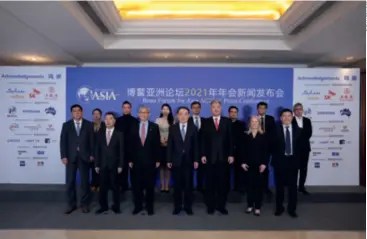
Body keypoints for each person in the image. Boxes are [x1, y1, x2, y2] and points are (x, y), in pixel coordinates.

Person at [201, 100, 234, 215]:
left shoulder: (227, 121)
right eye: (213, 107)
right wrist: (203, 154)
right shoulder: (206, 122)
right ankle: (211, 206)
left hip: (224, 158)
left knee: (222, 183)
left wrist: (231, 154)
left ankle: (221, 206)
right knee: (210, 183)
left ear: (221, 108)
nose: (216, 109)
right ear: (211, 108)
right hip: (210, 158)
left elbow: (231, 139)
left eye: (218, 107)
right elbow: (203, 140)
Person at [60, 104, 94, 214]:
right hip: (70, 158)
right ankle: (71, 204)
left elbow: (92, 142)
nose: (77, 113)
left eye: (79, 111)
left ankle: (85, 204)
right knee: (70, 182)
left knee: (85, 182)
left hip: (85, 157)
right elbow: (63, 142)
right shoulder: (66, 125)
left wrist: (92, 154)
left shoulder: (89, 125)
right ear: (72, 113)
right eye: (74, 111)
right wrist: (63, 156)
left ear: (82, 112)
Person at [167, 107, 199, 215]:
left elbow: (195, 145)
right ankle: (177, 206)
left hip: (189, 161)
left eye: (185, 114)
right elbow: (170, 146)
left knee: (188, 186)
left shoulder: (193, 128)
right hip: (176, 161)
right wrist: (168, 159)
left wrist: (196, 159)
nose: (183, 116)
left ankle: (188, 207)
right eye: (181, 114)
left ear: (188, 115)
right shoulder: (173, 128)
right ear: (177, 115)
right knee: (177, 186)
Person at [129, 106, 160, 215]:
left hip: (150, 161)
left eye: (145, 112)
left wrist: (157, 159)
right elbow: (129, 145)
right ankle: (138, 206)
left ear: (149, 114)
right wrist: (130, 160)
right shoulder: (133, 126)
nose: (143, 114)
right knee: (137, 185)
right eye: (141, 112)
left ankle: (149, 206)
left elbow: (157, 145)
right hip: (136, 161)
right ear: (138, 114)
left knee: (150, 186)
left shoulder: (154, 127)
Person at [271, 108, 300, 218]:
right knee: (280, 187)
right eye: (284, 116)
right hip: (279, 162)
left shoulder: (298, 130)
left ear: (292, 117)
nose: (287, 118)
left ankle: (292, 209)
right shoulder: (274, 130)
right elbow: (271, 147)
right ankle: (279, 208)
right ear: (281, 118)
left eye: (289, 116)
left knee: (293, 188)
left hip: (293, 162)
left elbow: (301, 149)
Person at [94, 112, 124, 214]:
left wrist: (120, 165)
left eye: (110, 118)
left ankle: (116, 206)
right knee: (102, 187)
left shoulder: (119, 134)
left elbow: (121, 151)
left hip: (115, 165)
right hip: (102, 164)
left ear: (114, 121)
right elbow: (97, 150)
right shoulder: (99, 133)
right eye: (106, 119)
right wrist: (96, 164)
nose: (107, 121)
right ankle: (103, 206)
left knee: (115, 187)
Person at [241, 116, 268, 216]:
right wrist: (243, 162)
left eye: (256, 121)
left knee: (258, 187)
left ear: (259, 123)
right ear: (249, 123)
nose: (254, 123)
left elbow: (266, 151)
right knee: (249, 187)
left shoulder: (264, 135)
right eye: (252, 121)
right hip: (248, 165)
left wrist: (264, 163)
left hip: (260, 165)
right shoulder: (245, 135)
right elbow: (242, 150)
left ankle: (257, 207)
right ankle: (249, 205)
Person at [115, 101, 138, 192]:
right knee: (122, 168)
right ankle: (123, 186)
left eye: (128, 107)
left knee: (134, 170)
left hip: (133, 149)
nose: (126, 109)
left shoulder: (135, 121)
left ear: (130, 109)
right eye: (124, 107)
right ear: (122, 109)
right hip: (121, 148)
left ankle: (134, 186)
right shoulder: (118, 121)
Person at [256, 101, 276, 199]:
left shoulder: (270, 119)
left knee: (265, 168)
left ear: (266, 109)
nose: (262, 110)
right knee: (255, 168)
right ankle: (256, 187)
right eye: (260, 108)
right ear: (257, 109)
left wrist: (263, 133)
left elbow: (273, 133)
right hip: (255, 147)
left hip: (267, 147)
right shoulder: (253, 119)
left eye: (264, 108)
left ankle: (265, 188)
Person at [292, 103, 312, 195]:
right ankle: (292, 187)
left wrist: (299, 133)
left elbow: (309, 134)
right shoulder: (291, 120)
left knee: (304, 168)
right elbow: (291, 135)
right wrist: (300, 133)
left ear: (302, 110)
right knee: (293, 168)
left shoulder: (307, 121)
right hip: (294, 149)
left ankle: (301, 187)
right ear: (294, 111)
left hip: (305, 148)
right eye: (296, 109)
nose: (298, 110)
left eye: (300, 109)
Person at [155, 104, 174, 193]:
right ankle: (162, 185)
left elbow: (174, 133)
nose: (165, 110)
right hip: (159, 146)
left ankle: (167, 185)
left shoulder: (173, 120)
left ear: (169, 111)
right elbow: (155, 133)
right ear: (161, 110)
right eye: (163, 109)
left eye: (167, 109)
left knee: (168, 167)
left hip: (170, 146)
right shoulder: (157, 120)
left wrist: (168, 140)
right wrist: (160, 140)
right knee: (162, 167)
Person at [228, 105, 246, 192]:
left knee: (239, 171)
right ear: (229, 113)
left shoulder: (241, 124)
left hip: (239, 151)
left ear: (237, 114)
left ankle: (238, 188)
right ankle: (225, 188)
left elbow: (243, 138)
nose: (233, 114)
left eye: (235, 112)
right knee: (225, 171)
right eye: (232, 112)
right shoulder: (224, 123)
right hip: (226, 151)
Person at [188, 101, 205, 192]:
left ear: (200, 109)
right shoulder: (187, 120)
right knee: (189, 170)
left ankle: (200, 187)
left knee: (202, 170)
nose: (196, 109)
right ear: (191, 109)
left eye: (198, 107)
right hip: (190, 149)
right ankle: (189, 187)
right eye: (194, 107)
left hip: (202, 149)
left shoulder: (205, 121)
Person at [91, 108, 105, 191]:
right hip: (92, 151)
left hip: (102, 151)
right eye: (94, 114)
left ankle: (101, 184)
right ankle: (94, 184)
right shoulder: (89, 125)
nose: (96, 115)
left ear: (100, 115)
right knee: (94, 168)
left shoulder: (105, 125)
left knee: (102, 169)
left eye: (98, 114)